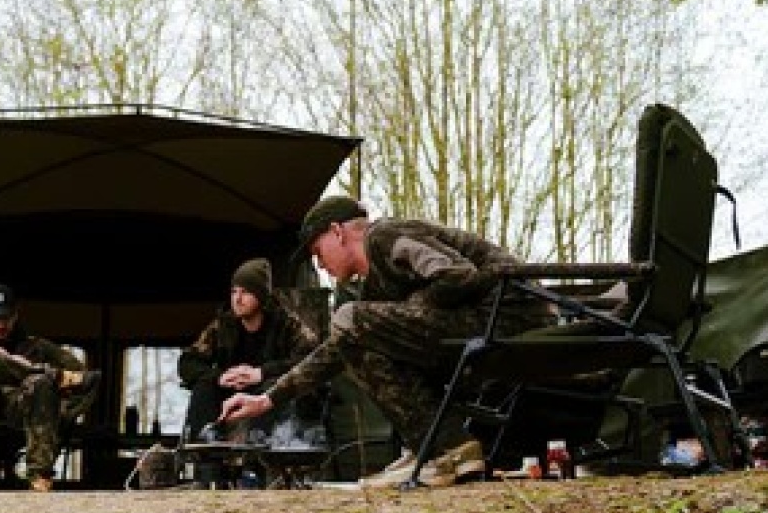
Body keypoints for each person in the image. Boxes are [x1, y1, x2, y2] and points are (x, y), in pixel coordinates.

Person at [220, 196, 557, 489]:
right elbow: (335, 349)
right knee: (356, 334)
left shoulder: (385, 236)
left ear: (337, 232)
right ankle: (439, 445)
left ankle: (443, 448)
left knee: (351, 319)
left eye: (317, 252)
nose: (320, 265)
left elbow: (456, 274)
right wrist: (267, 399)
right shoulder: (375, 285)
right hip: (480, 327)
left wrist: (409, 311)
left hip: (511, 316)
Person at [177, 257, 320, 486]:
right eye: (234, 292)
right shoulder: (223, 326)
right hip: (230, 394)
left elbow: (311, 359)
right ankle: (204, 462)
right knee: (204, 389)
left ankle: (257, 466)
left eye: (245, 292)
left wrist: (261, 373)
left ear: (261, 296)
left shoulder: (286, 324)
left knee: (272, 387)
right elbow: (188, 362)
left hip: (268, 395)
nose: (237, 299)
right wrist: (220, 377)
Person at [0, 284, 100, 493]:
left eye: (6, 318)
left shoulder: (36, 347)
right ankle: (53, 377)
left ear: (16, 314)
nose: (1, 325)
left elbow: (85, 377)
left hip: (26, 417)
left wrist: (63, 408)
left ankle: (39, 477)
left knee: (39, 384)